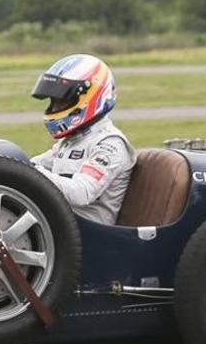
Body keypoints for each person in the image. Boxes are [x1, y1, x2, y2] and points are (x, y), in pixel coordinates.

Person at [29, 54, 136, 225]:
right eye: (53, 102)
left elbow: (82, 193)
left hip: (91, 234)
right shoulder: (71, 140)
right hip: (61, 225)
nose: (55, 108)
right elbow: (30, 164)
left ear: (90, 97)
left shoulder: (110, 143)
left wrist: (34, 174)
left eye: (62, 102)